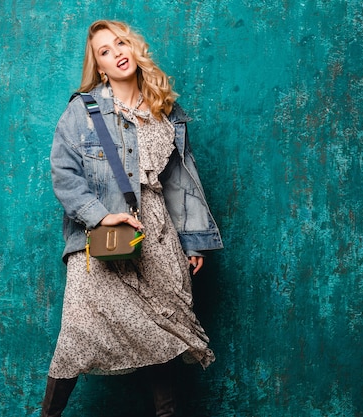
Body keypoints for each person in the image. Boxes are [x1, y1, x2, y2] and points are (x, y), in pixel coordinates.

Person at [41, 20, 223, 417]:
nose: (116, 53)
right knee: (76, 335)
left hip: (159, 236)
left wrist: (193, 240)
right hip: (103, 238)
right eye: (104, 51)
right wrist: (101, 216)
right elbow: (64, 173)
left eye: (120, 43)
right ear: (100, 67)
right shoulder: (83, 110)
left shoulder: (165, 110)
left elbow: (179, 181)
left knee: (163, 337)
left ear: (134, 48)